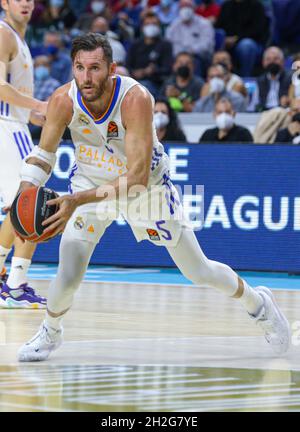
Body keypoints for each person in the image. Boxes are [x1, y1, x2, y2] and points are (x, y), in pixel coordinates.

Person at [16, 33, 290, 362]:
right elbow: (43, 156)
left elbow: (137, 178)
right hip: (90, 182)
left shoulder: (135, 99)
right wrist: (24, 192)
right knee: (69, 272)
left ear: (111, 69)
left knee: (198, 271)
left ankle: (258, 305)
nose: (86, 77)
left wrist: (78, 200)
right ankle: (51, 331)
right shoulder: (63, 100)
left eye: (95, 68)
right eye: (79, 68)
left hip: (145, 191)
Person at [0, 0, 47, 308]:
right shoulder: (3, 34)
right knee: (32, 203)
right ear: (4, 3)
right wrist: (38, 106)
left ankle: (10, 280)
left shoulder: (18, 38)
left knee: (19, 206)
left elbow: (17, 95)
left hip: (13, 124)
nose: (26, 3)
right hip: (6, 126)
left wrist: (35, 114)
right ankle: (15, 285)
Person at [126, 10, 173, 98]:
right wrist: (136, 73)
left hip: (157, 83)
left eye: (154, 24)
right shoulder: (135, 45)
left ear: (159, 27)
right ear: (142, 27)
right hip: (134, 81)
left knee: (143, 88)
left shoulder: (165, 45)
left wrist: (154, 70)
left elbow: (168, 69)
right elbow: (127, 66)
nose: (151, 27)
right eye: (147, 24)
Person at [216, 0, 268, 77]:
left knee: (246, 45)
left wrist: (236, 39)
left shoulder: (256, 6)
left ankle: (245, 77)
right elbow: (219, 27)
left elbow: (258, 30)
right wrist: (224, 39)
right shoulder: (226, 6)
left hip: (253, 43)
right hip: (227, 43)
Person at [165, 0, 215, 77]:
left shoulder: (204, 23)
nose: (185, 9)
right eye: (183, 7)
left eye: (188, 6)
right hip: (178, 56)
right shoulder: (174, 25)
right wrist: (181, 55)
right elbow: (169, 43)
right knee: (172, 62)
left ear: (194, 8)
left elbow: (206, 45)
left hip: (199, 56)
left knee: (193, 62)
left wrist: (190, 52)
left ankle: (196, 86)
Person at [255, 46, 292, 112]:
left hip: (284, 111)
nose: (272, 62)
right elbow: (255, 105)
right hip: (264, 112)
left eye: (276, 59)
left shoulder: (291, 78)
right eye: (268, 59)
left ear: (283, 61)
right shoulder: (260, 81)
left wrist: (289, 100)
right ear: (263, 62)